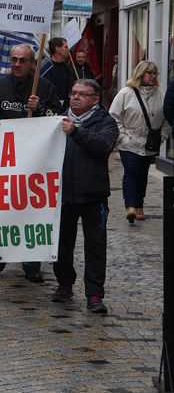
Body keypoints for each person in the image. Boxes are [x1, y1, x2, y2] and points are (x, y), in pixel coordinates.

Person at [0, 43, 63, 282]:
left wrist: (40, 108)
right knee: (2, 208)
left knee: (31, 209)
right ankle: (0, 253)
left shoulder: (44, 87)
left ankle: (31, 262)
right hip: (4, 159)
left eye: (22, 60)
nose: (17, 64)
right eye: (14, 60)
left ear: (32, 63)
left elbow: (58, 118)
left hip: (35, 159)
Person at [51, 79, 118, 314]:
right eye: (73, 93)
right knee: (62, 243)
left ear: (95, 99)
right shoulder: (57, 120)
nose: (75, 97)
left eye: (82, 94)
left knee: (95, 246)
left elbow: (103, 146)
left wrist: (76, 132)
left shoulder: (106, 122)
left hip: (93, 195)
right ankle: (64, 283)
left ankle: (95, 294)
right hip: (64, 194)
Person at [109, 61, 171, 223]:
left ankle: (139, 206)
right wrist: (122, 137)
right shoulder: (125, 93)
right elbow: (114, 117)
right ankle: (130, 206)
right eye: (149, 73)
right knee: (131, 172)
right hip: (129, 142)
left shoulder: (160, 95)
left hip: (149, 144)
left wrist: (162, 137)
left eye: (155, 73)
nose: (153, 76)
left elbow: (166, 119)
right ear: (140, 74)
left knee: (142, 175)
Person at [43, 37, 72, 108]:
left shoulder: (68, 68)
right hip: (50, 106)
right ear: (57, 49)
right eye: (65, 47)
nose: (68, 50)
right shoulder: (46, 68)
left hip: (65, 107)